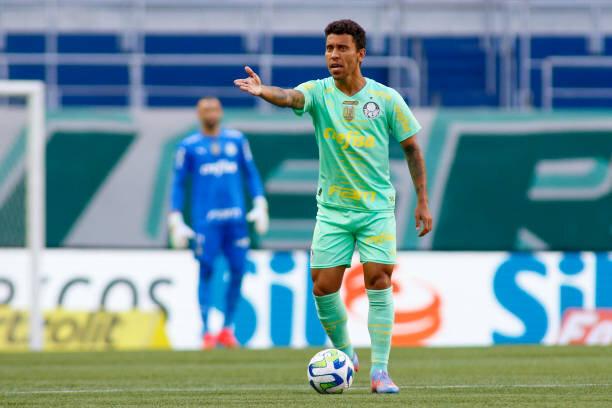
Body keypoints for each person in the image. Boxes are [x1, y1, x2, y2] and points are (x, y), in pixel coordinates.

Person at [234, 19, 432, 393]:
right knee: (323, 287)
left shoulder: (386, 99)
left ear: (360, 54)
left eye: (341, 48)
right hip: (333, 211)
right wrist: (264, 92)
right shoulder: (319, 92)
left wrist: (422, 200)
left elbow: (412, 150)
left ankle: (380, 372)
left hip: (375, 209)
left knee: (379, 279)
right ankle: (345, 354)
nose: (333, 55)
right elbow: (292, 97)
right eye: (328, 48)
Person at [168, 96, 269, 349]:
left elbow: (251, 173)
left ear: (221, 112)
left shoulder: (236, 140)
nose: (210, 113)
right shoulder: (189, 146)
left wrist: (259, 202)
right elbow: (178, 183)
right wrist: (175, 216)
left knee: (238, 270)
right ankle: (205, 331)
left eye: (214, 108)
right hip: (207, 222)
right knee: (207, 270)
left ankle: (226, 328)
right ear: (198, 114)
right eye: (205, 109)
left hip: (235, 219)